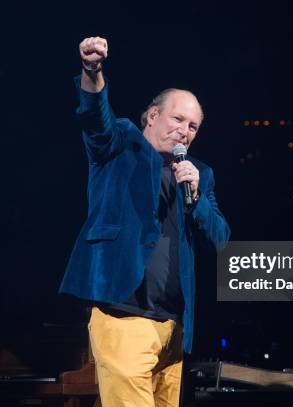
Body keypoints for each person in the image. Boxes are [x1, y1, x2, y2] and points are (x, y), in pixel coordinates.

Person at [59, 36, 230, 407]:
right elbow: (95, 118)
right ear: (153, 116)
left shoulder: (200, 174)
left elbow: (220, 239)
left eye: (194, 126)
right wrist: (93, 71)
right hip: (124, 316)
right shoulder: (121, 144)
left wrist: (196, 197)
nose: (185, 130)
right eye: (178, 119)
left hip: (173, 328)